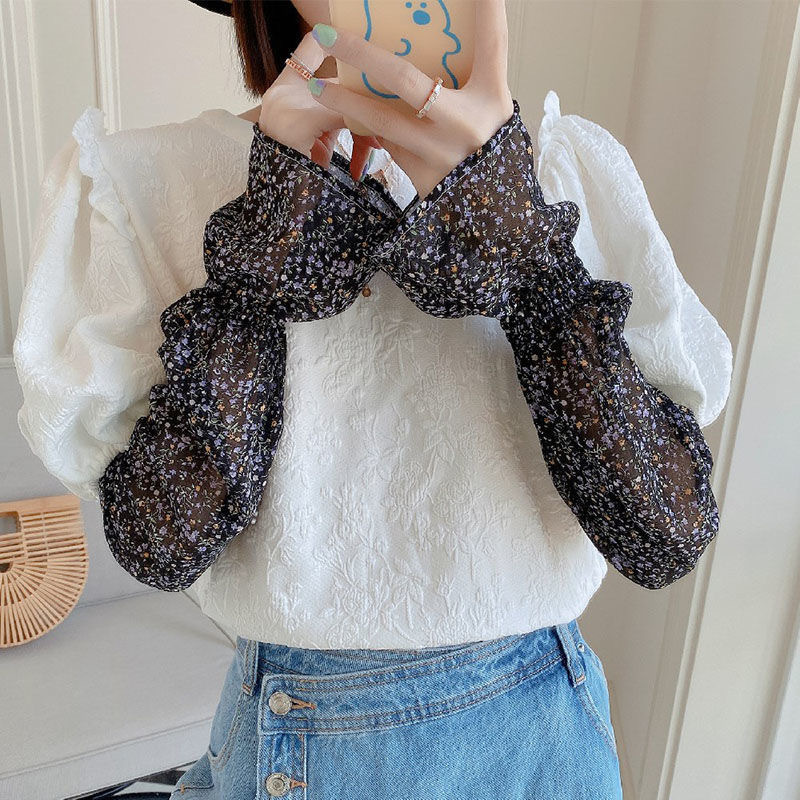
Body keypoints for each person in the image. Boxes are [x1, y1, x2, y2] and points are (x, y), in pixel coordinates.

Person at [12, 1, 733, 797]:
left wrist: (526, 246)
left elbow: (665, 536)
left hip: (545, 746)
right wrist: (265, 253)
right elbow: (161, 544)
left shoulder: (567, 166)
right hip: (298, 742)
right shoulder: (150, 179)